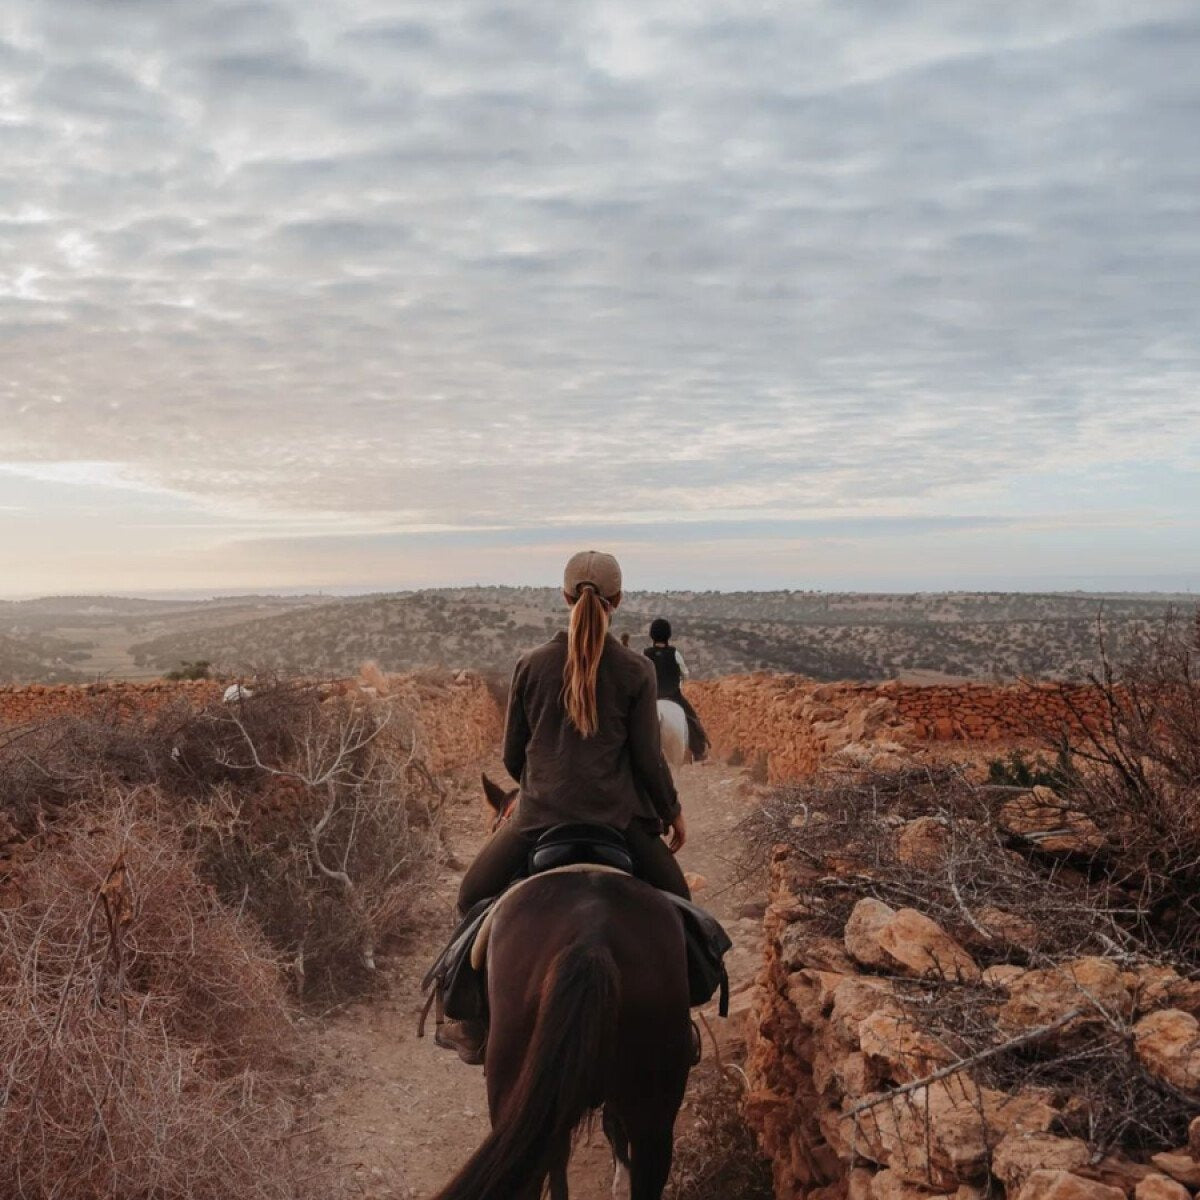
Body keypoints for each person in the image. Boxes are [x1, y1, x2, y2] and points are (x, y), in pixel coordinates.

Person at [457, 550, 690, 915]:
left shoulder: (530, 664)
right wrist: (671, 811)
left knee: (470, 898)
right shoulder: (637, 669)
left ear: (566, 596)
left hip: (539, 817)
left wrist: (550, 786)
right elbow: (648, 760)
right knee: (682, 907)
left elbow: (512, 756)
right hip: (620, 820)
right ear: (618, 599)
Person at [645, 617, 709, 761]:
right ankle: (699, 749)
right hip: (673, 696)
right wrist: (678, 682)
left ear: (652, 635)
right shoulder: (674, 653)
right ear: (668, 635)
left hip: (651, 697)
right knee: (692, 718)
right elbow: (685, 674)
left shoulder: (646, 654)